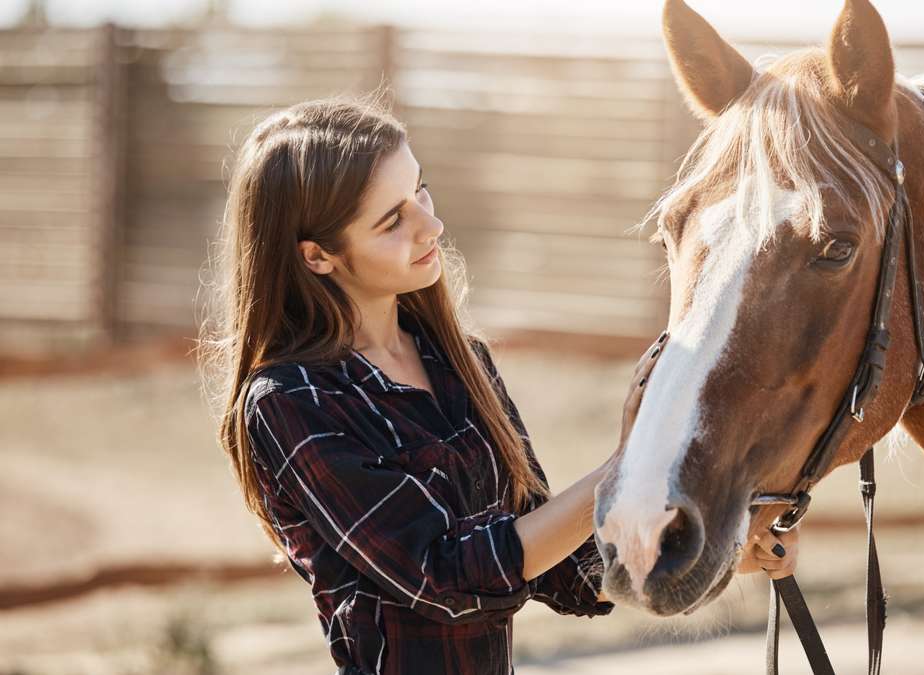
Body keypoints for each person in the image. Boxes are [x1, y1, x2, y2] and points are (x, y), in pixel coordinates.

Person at [198, 92, 799, 675]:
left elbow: (553, 566)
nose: (430, 225)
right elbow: (447, 578)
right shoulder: (291, 403)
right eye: (392, 221)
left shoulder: (460, 363)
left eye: (420, 190)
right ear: (317, 256)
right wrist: (622, 464)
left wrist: (708, 553)